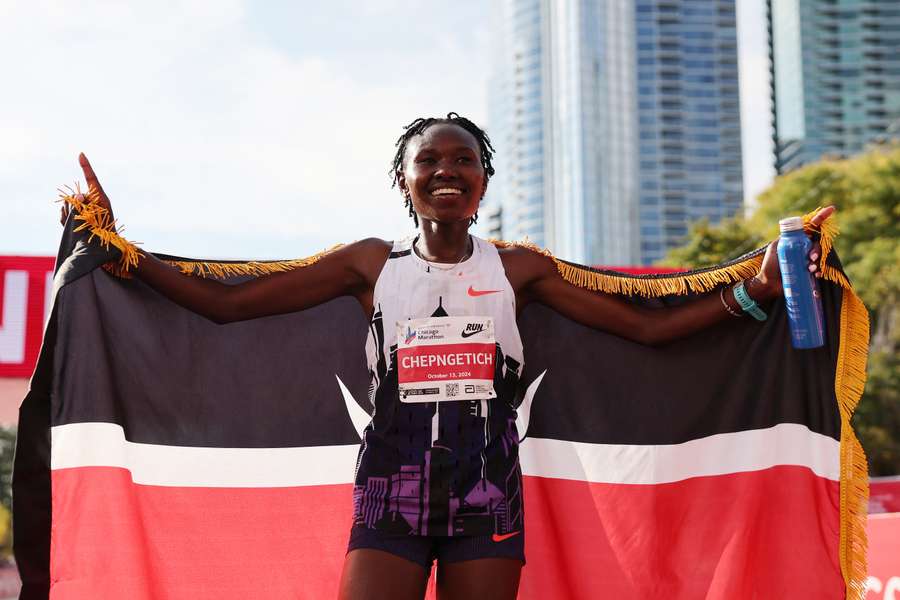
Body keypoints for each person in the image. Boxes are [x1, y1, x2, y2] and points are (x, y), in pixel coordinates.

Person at [62, 113, 833, 600]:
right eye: (429, 160)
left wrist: (753, 291)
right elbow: (229, 304)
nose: (446, 171)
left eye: (462, 161)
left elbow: (645, 327)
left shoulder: (519, 268)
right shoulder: (369, 264)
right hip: (389, 490)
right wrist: (123, 253)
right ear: (405, 181)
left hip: (485, 493)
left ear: (483, 182)